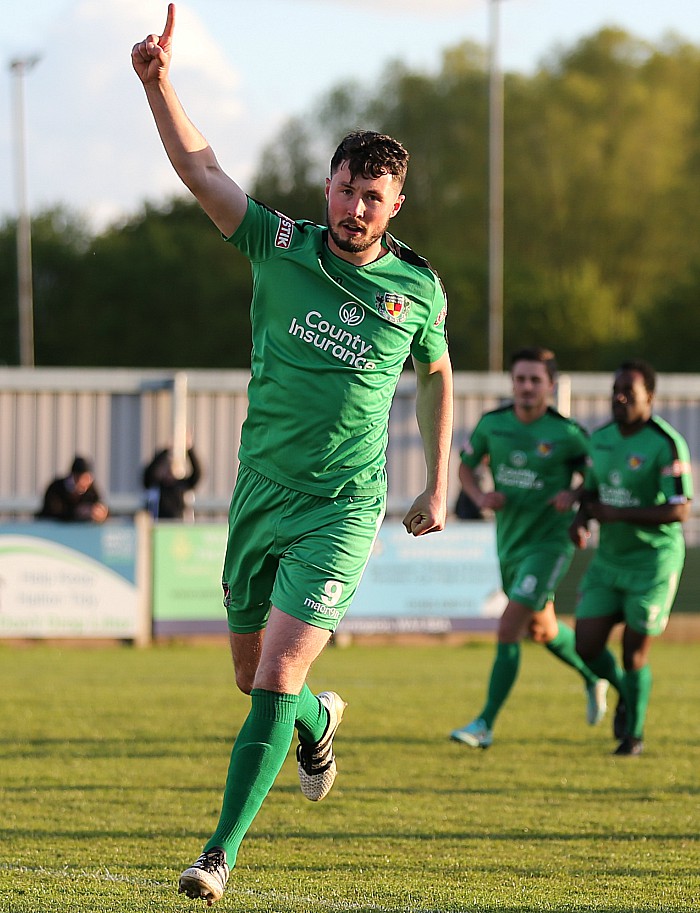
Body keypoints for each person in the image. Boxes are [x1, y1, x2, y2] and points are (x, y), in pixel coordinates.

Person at [132, 5, 453, 905]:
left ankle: (218, 854)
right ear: (328, 186)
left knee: (275, 668)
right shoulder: (279, 247)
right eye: (347, 189)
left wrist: (439, 478)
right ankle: (317, 720)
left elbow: (437, 370)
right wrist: (160, 85)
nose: (357, 208)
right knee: (256, 680)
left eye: (374, 198)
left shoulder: (416, 288)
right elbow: (201, 169)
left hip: (343, 507)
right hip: (259, 494)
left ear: (396, 207)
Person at [450, 346, 607, 749]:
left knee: (509, 626)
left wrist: (573, 498)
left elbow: (596, 477)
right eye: (520, 379)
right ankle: (596, 678)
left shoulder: (567, 434)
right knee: (543, 629)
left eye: (535, 380)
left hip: (550, 544)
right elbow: (467, 465)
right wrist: (480, 495)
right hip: (510, 542)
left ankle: (484, 724)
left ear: (550, 386)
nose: (526, 387)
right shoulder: (493, 424)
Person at [569, 360, 693, 757]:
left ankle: (632, 735)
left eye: (629, 392)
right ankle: (623, 691)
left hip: (653, 562)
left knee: (634, 651)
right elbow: (589, 494)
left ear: (650, 398)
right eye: (615, 390)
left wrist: (617, 514)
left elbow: (680, 509)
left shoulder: (665, 442)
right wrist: (581, 518)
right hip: (609, 559)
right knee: (586, 645)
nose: (619, 398)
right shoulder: (599, 439)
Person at [36, 455, 109, 523]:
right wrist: (76, 513)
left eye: (88, 479)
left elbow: (100, 505)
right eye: (80, 479)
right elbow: (52, 512)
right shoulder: (56, 488)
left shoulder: (91, 490)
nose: (84, 483)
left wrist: (101, 514)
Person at [143, 443, 202, 519]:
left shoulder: (182, 484)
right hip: (160, 524)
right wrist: (165, 451)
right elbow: (148, 473)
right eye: (166, 468)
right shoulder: (156, 485)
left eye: (172, 468)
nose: (169, 471)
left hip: (178, 525)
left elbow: (197, 473)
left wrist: (189, 450)